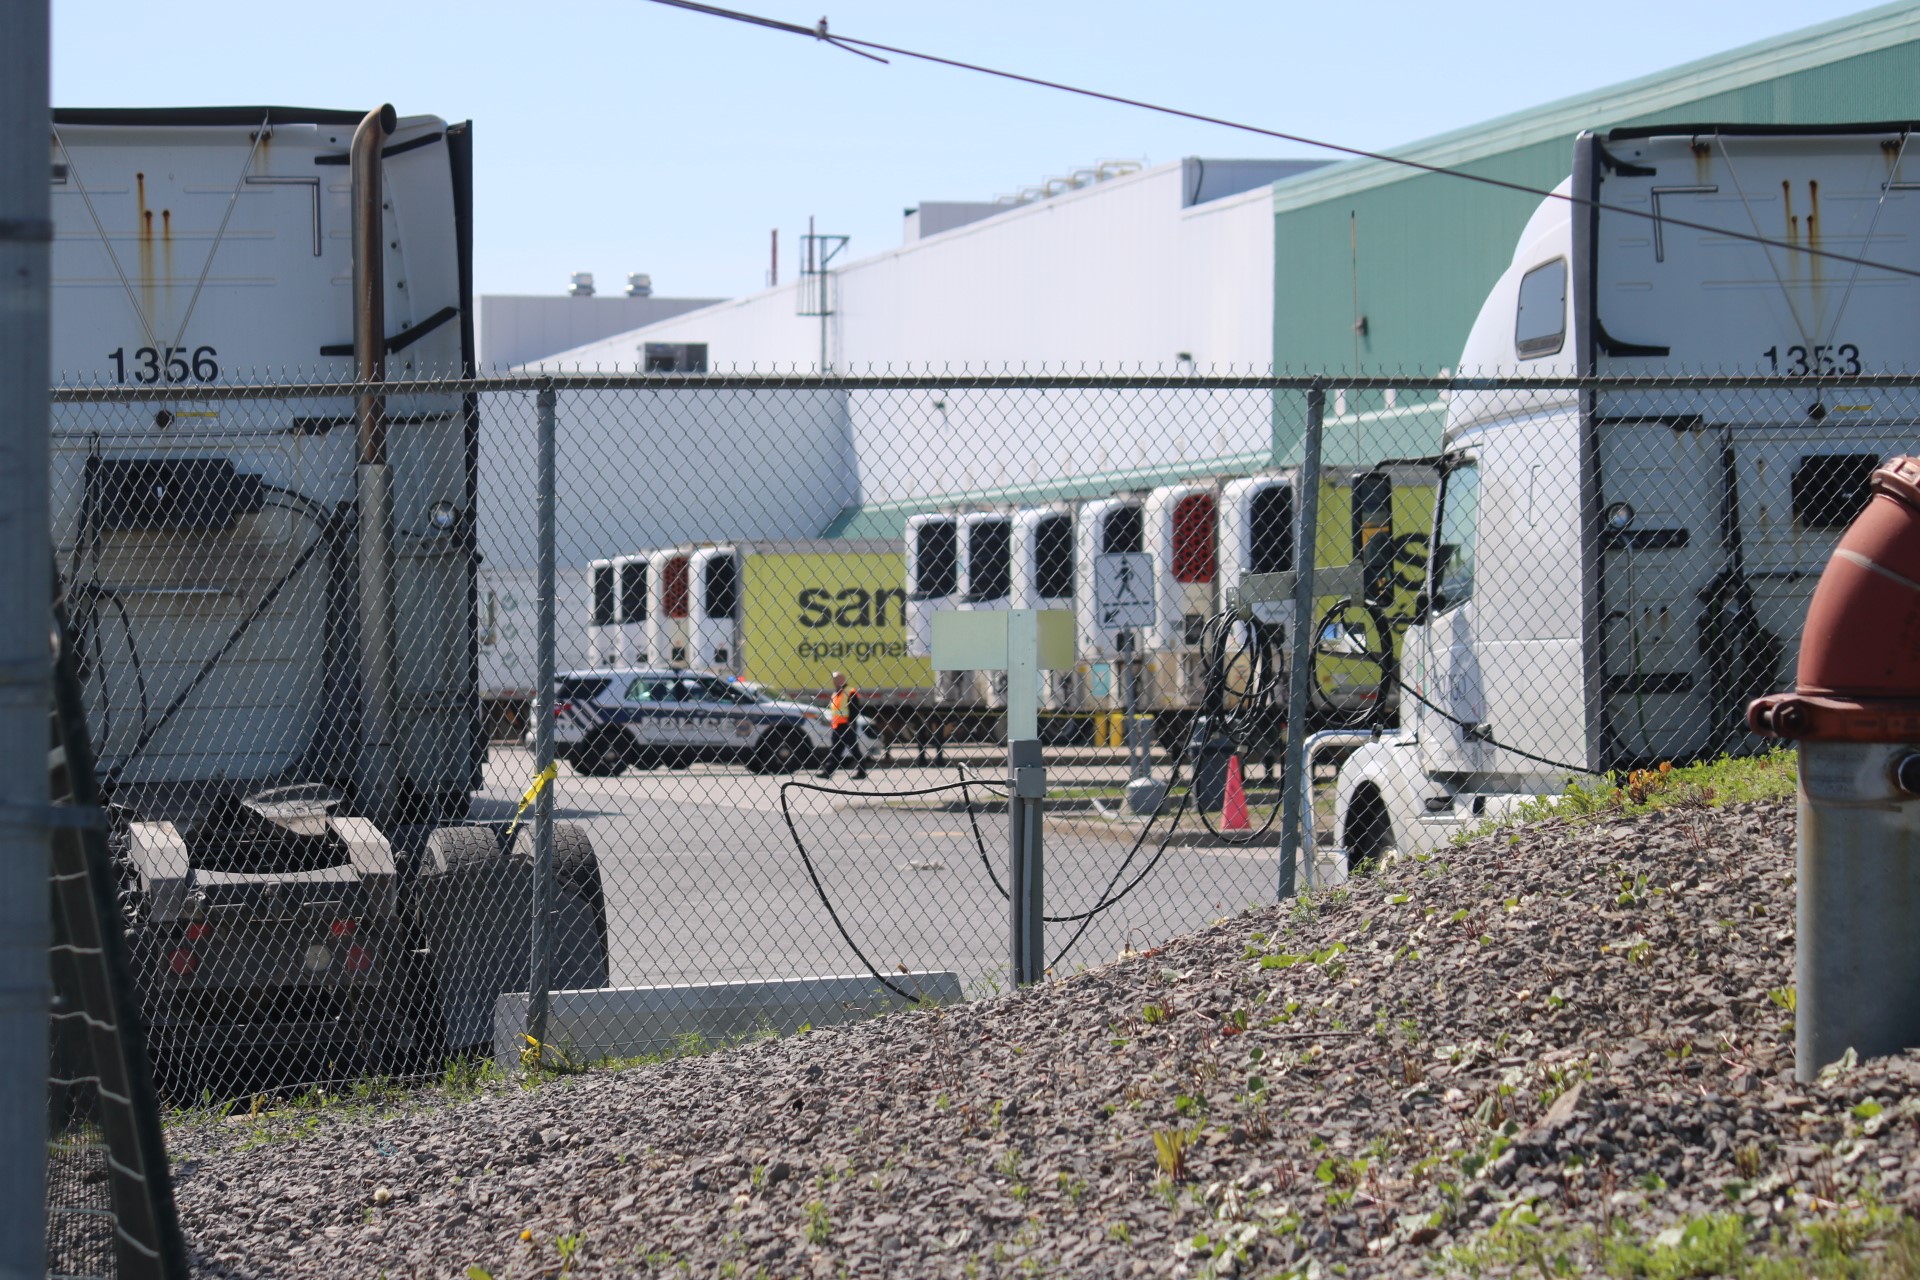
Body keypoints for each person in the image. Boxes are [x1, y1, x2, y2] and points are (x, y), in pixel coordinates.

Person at [816, 670, 866, 779]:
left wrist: (851, 723)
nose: (834, 681)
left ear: (842, 680)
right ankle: (828, 772)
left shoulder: (850, 692)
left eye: (836, 679)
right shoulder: (836, 693)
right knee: (836, 750)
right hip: (837, 725)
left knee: (853, 749)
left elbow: (854, 709)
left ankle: (861, 771)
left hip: (847, 725)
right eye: (833, 679)